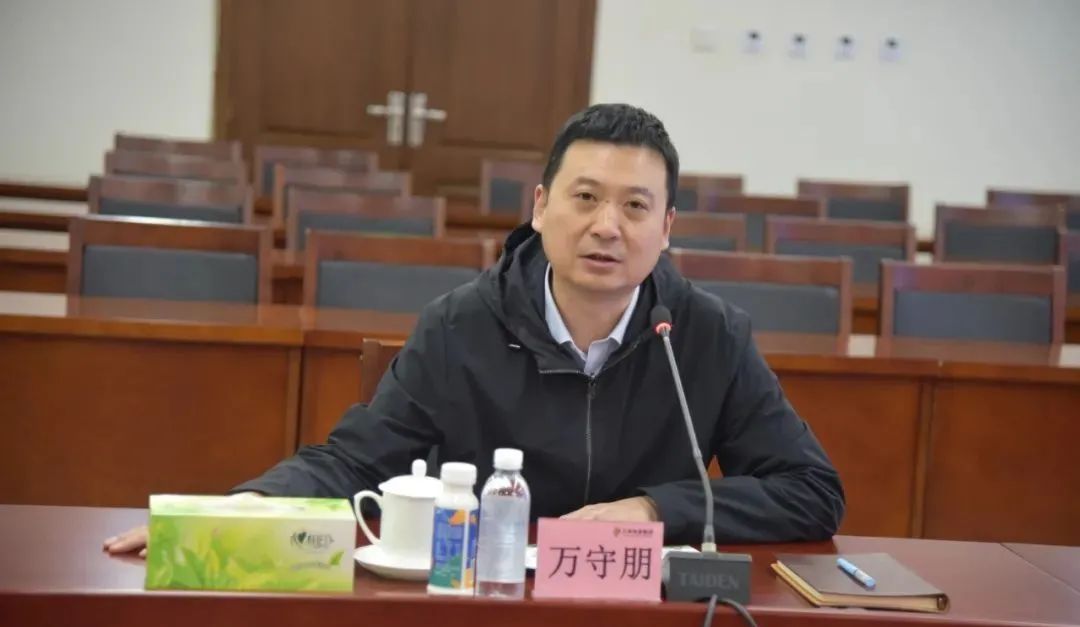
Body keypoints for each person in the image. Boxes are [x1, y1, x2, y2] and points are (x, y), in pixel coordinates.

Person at [105, 103, 844, 557]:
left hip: (638, 607)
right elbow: (358, 461)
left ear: (667, 227)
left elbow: (810, 490)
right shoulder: (461, 325)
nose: (606, 226)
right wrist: (248, 506)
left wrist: (654, 508)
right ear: (540, 206)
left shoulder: (706, 335)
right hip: (485, 597)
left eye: (635, 207)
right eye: (586, 197)